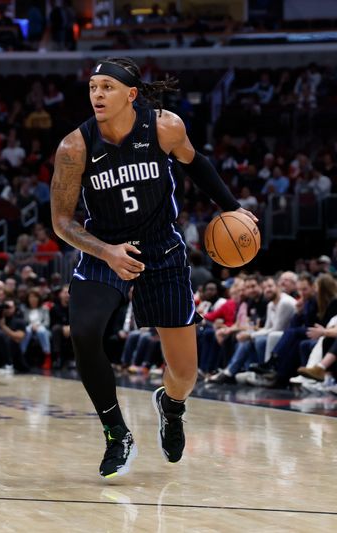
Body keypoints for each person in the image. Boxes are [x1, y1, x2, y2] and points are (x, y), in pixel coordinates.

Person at [50, 57, 257, 478]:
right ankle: (115, 433)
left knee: (185, 373)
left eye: (107, 87)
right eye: (93, 87)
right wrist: (107, 251)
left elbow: (195, 163)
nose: (97, 95)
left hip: (161, 248)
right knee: (85, 332)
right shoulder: (75, 147)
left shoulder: (165, 126)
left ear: (131, 94)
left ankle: (171, 404)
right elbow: (62, 222)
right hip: (104, 249)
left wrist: (234, 208)